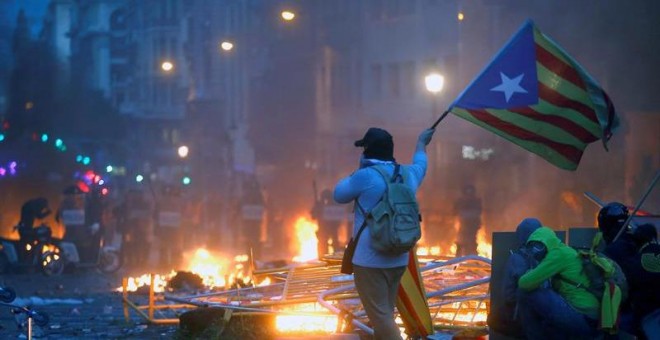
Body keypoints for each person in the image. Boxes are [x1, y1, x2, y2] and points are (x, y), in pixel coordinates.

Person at [333, 127, 434, 339]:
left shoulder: (365, 176)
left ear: (367, 151)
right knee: (385, 312)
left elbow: (338, 194)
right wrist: (421, 144)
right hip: (399, 257)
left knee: (381, 317)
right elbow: (421, 165)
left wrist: (359, 170)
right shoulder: (407, 174)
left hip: (370, 260)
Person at [516, 218, 600, 339]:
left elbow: (524, 283)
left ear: (544, 244)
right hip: (590, 317)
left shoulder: (557, 255)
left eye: (537, 246)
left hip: (583, 318)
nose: (535, 251)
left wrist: (530, 271)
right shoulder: (565, 250)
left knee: (525, 293)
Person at [311, 188, 345, 259]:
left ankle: (335, 259)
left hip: (332, 228)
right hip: (324, 229)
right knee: (323, 246)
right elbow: (313, 216)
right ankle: (323, 258)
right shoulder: (319, 205)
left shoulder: (333, 205)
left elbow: (339, 217)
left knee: (335, 245)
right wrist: (317, 210)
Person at [453, 184, 482, 256]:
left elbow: (478, 212)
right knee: (461, 241)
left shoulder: (476, 201)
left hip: (472, 226)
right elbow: (454, 212)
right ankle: (460, 258)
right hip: (464, 226)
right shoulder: (460, 201)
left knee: (471, 242)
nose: (468, 196)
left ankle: (471, 258)